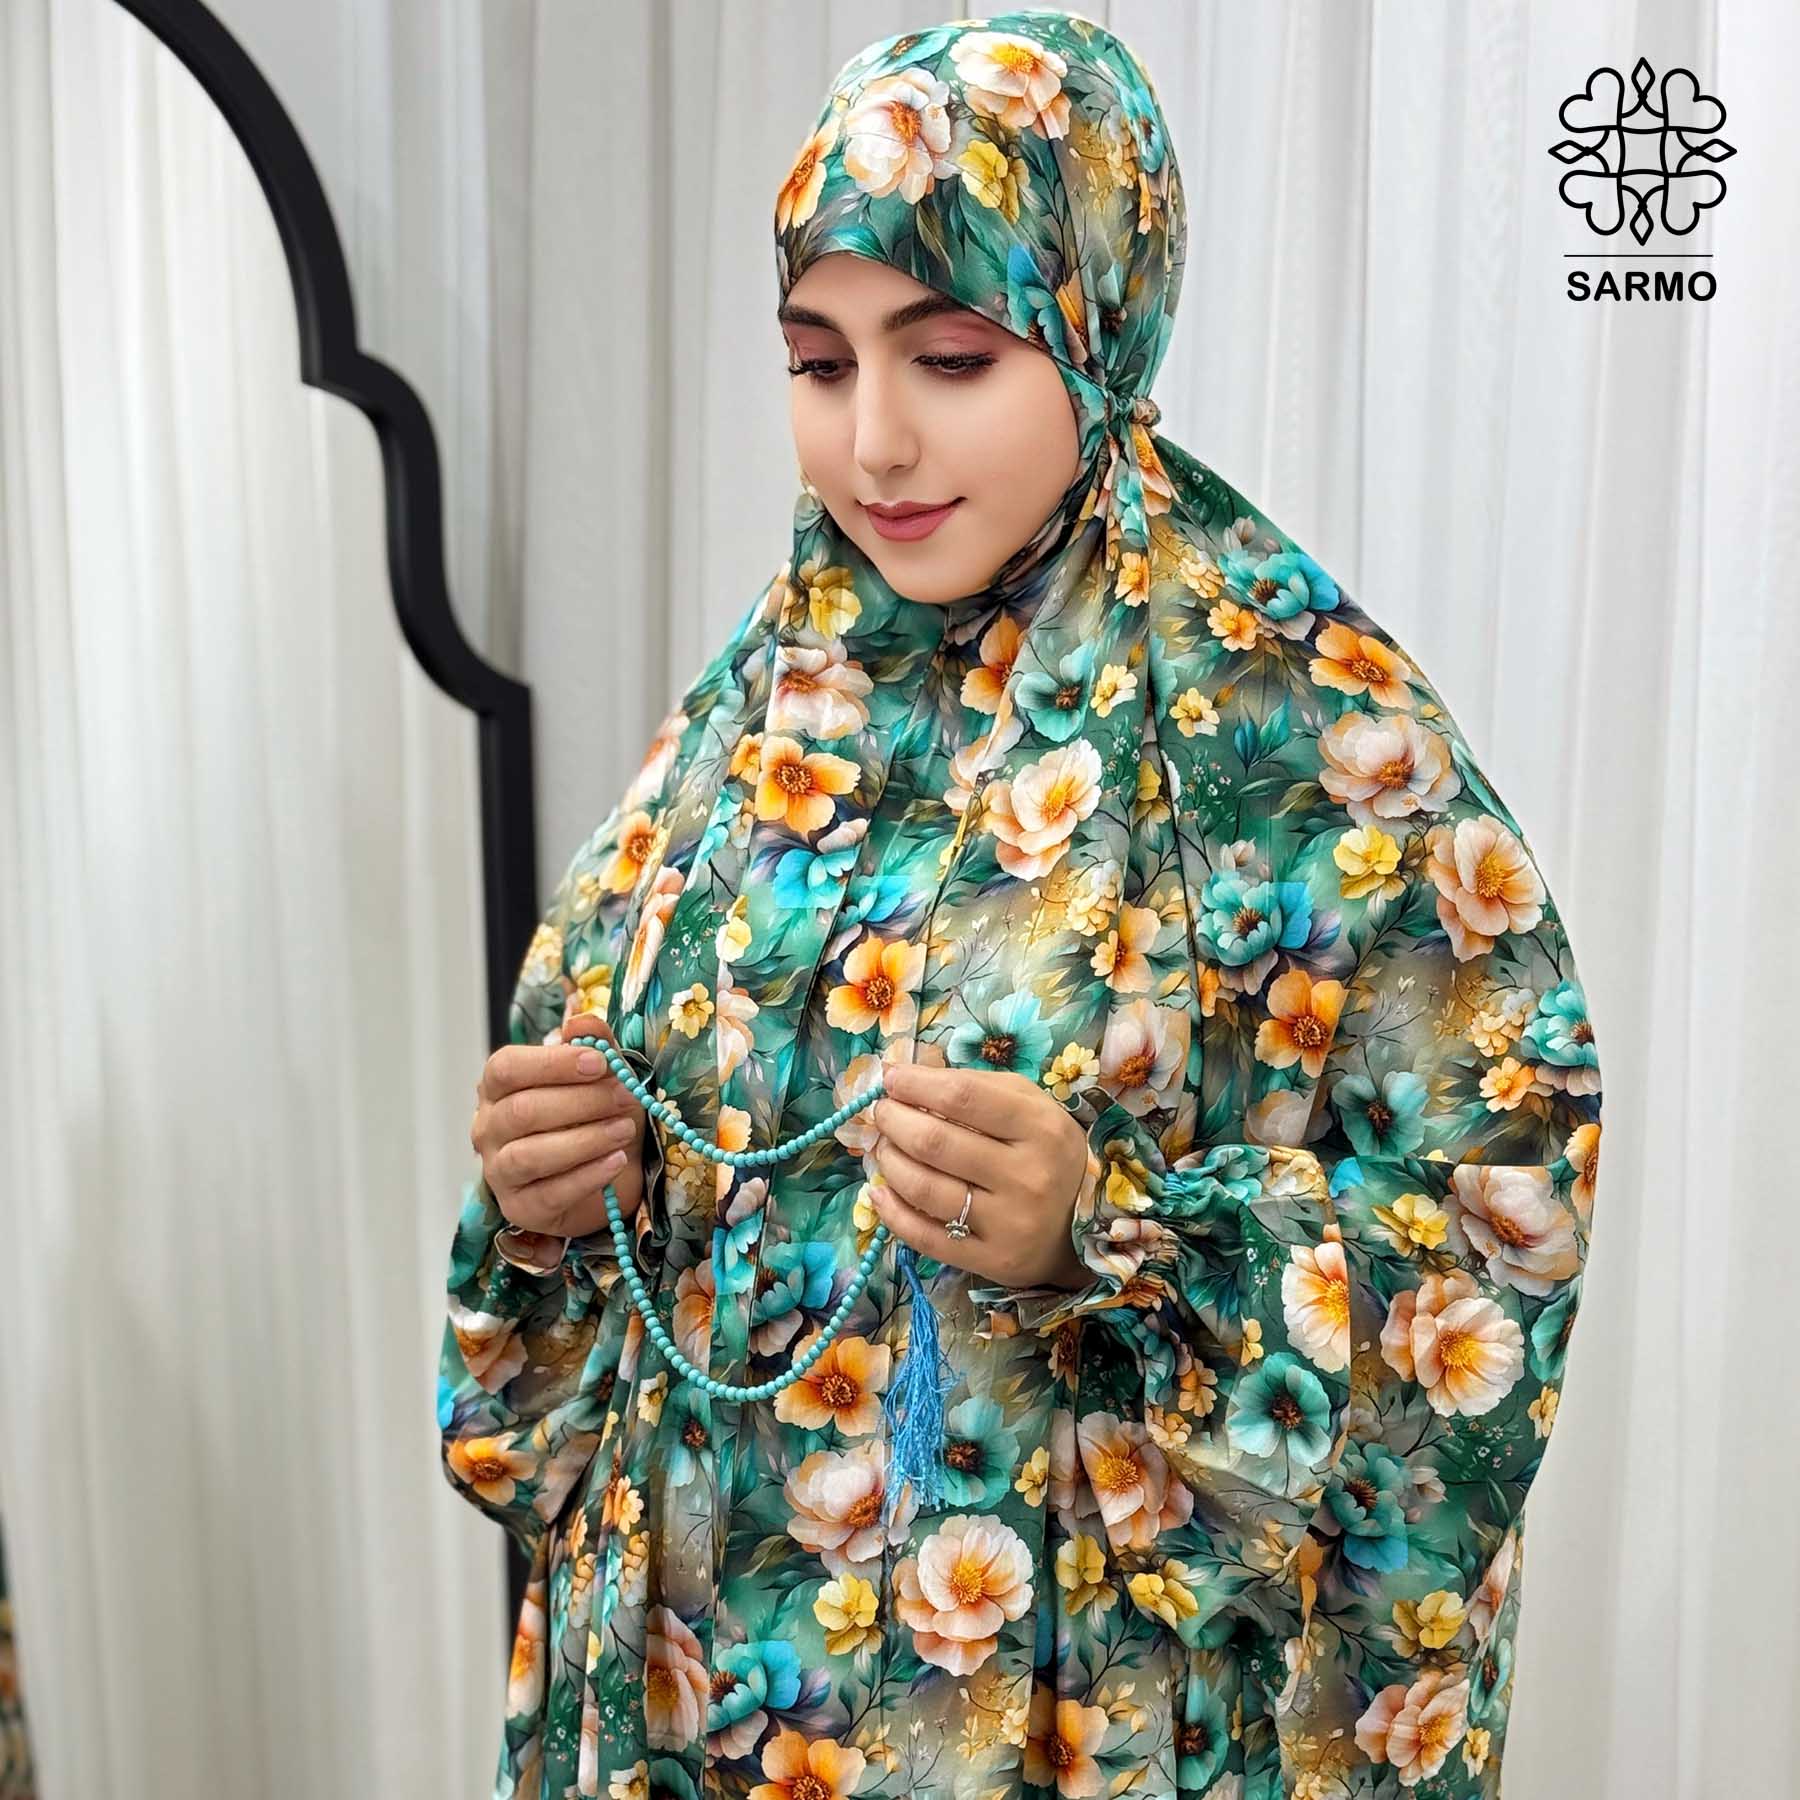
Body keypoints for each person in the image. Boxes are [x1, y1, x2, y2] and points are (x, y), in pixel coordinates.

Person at [439, 12, 1605, 1798]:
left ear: (1092, 319)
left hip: (1091, 1728)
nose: (875, 444)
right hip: (719, 1721)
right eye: (818, 363)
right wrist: (548, 1201)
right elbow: (587, 1332)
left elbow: (1494, 1245)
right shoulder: (744, 733)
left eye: (952, 356)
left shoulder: (1306, 731)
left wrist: (1113, 1235)